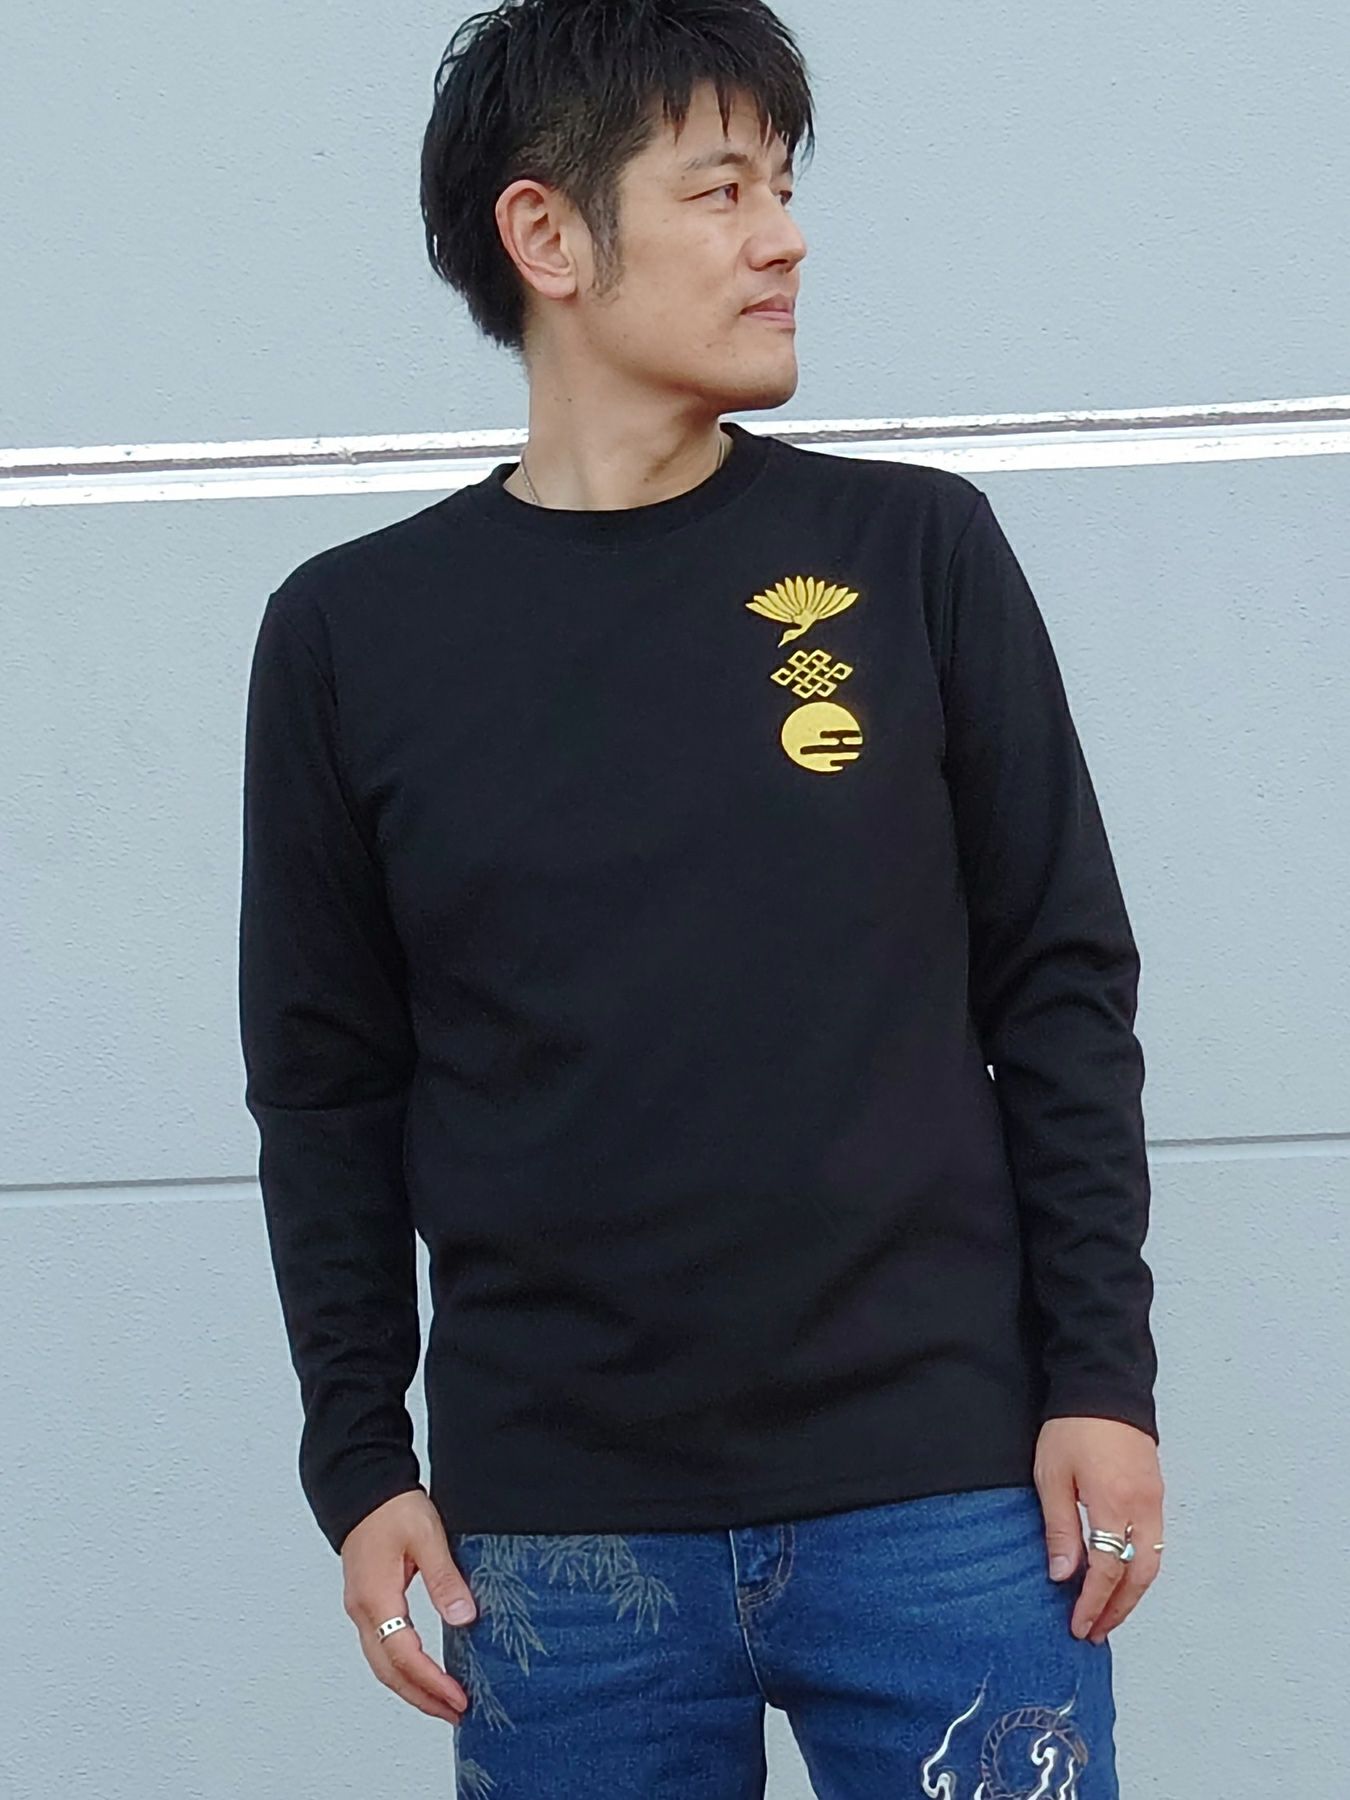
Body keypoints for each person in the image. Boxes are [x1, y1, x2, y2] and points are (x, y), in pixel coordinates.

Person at [238, 1, 1166, 1792]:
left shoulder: (914, 553)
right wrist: (358, 1461)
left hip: (948, 1498)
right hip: (557, 1546)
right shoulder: (353, 636)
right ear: (548, 235)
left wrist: (1100, 1383)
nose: (784, 237)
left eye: (784, 186)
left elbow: (1058, 991)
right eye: (722, 188)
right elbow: (327, 1086)